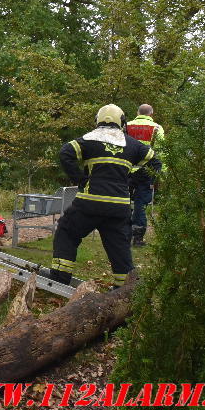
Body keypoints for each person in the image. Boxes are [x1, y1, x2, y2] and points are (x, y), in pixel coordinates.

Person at [47, 104, 156, 288]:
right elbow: (156, 163)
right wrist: (131, 180)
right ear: (122, 122)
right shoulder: (133, 144)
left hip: (90, 203)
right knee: (120, 250)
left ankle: (59, 279)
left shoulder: (89, 139)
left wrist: (80, 179)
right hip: (119, 207)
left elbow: (65, 153)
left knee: (67, 232)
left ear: (98, 120)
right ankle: (124, 292)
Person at [126, 104, 164, 246]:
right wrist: (160, 174)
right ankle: (137, 238)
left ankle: (124, 233)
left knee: (125, 201)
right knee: (140, 204)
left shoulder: (127, 126)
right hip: (146, 171)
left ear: (137, 113)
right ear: (151, 114)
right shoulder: (157, 128)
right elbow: (160, 152)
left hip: (128, 170)